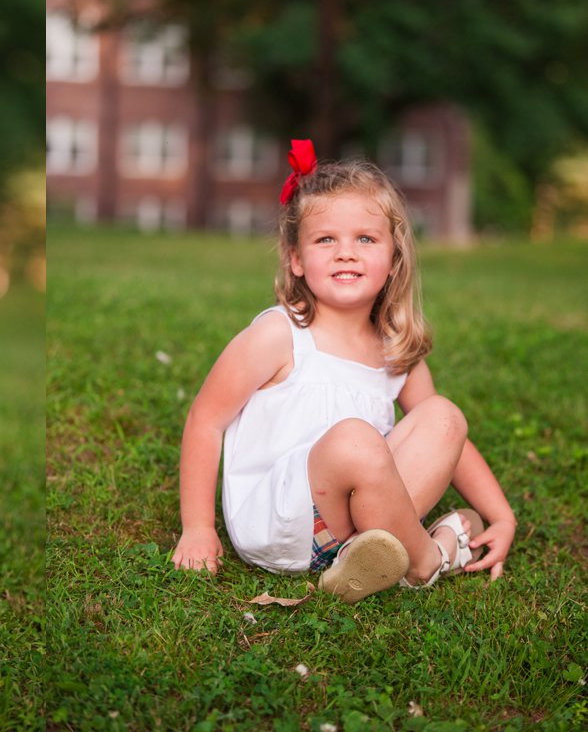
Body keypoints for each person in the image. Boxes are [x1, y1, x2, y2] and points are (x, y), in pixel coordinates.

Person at [170, 139, 515, 603]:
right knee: (354, 438)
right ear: (296, 258)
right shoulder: (280, 334)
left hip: (355, 525)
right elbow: (205, 420)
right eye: (325, 239)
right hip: (280, 521)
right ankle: (426, 560)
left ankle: (366, 554)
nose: (345, 253)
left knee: (443, 415)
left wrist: (500, 516)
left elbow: (450, 439)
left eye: (366, 239)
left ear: (393, 261)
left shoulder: (396, 348)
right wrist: (197, 529)